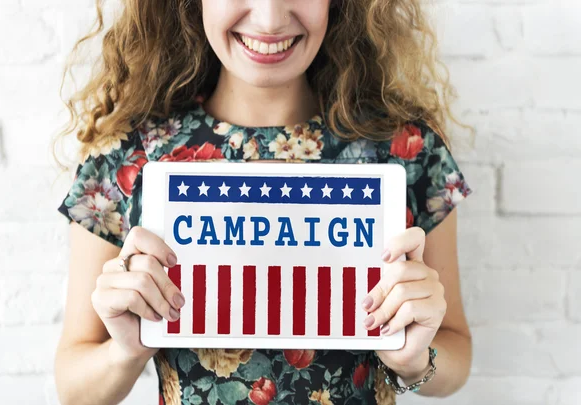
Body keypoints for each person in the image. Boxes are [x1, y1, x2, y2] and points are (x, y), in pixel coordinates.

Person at [52, 0, 474, 404]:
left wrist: (414, 359)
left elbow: (456, 354)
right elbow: (74, 387)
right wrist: (126, 350)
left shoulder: (409, 150)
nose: (270, 19)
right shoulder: (128, 156)